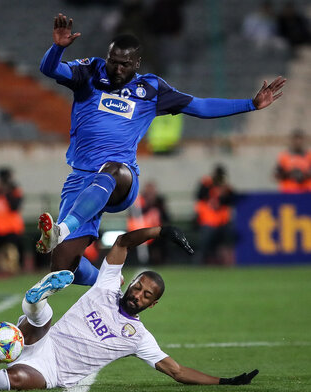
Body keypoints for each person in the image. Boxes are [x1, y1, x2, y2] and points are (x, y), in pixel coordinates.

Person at [36, 13, 286, 287]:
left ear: (137, 63)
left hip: (121, 178)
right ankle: (109, 285)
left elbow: (200, 106)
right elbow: (50, 70)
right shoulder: (90, 72)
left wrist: (250, 104)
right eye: (113, 62)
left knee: (112, 169)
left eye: (125, 64)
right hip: (81, 178)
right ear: (107, 57)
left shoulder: (151, 88)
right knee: (61, 267)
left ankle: (65, 228)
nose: (117, 69)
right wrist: (58, 47)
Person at [0, 225, 258, 390]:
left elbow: (177, 371)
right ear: (131, 283)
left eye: (147, 295)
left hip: (54, 372)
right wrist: (161, 231)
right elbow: (121, 241)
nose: (138, 294)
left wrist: (224, 381)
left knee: (3, 382)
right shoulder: (107, 285)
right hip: (42, 340)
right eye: (138, 286)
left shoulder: (138, 337)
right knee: (42, 314)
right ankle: (37, 296)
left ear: (152, 303)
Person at [194, 165, 236, 265]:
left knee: (226, 244)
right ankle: (200, 264)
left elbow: (230, 199)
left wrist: (223, 192)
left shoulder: (226, 188)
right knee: (205, 246)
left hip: (222, 222)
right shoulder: (206, 184)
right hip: (208, 222)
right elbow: (199, 195)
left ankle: (226, 263)